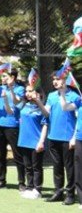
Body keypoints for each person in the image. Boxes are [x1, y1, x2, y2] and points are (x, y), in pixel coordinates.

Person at [41, 73, 78, 204]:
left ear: (65, 80)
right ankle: (58, 192)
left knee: (70, 167)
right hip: (53, 137)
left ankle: (70, 194)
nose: (55, 82)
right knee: (57, 166)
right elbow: (46, 113)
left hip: (68, 138)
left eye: (58, 79)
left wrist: (74, 137)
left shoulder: (74, 96)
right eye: (54, 80)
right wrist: (38, 102)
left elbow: (78, 119)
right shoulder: (51, 96)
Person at [0, 69, 25, 190]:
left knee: (17, 154)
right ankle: (2, 180)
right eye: (2, 77)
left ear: (12, 78)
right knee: (1, 154)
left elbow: (16, 101)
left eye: (5, 76)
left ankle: (21, 182)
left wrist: (10, 89)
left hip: (13, 125)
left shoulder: (19, 89)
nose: (2, 79)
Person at [19, 85, 49, 199]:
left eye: (30, 91)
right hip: (23, 141)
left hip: (36, 141)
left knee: (36, 167)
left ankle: (37, 189)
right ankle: (29, 187)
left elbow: (46, 122)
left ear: (38, 93)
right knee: (27, 166)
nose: (27, 93)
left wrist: (41, 142)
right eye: (26, 91)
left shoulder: (42, 108)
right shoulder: (24, 105)